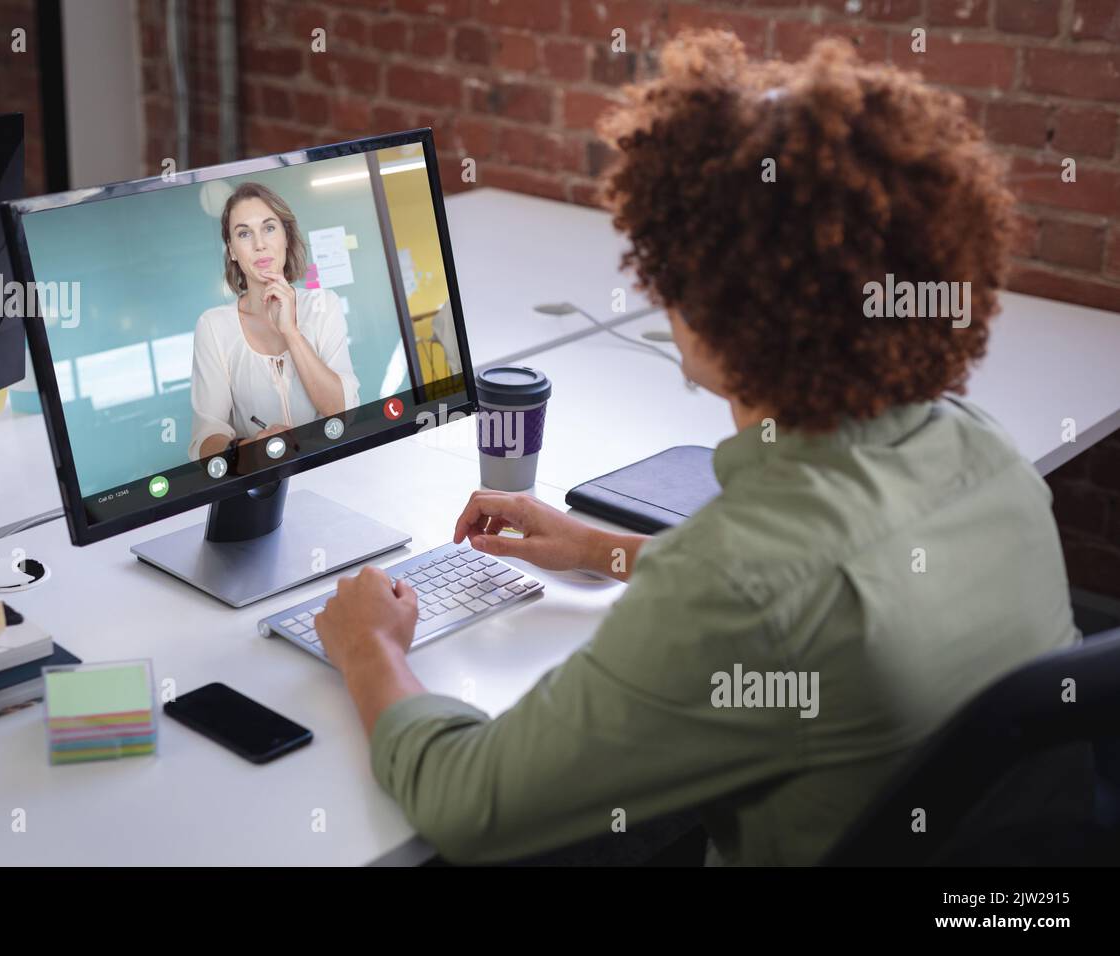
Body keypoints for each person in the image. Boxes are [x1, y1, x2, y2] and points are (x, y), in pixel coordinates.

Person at [313, 32, 1080, 865]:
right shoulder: (982, 453)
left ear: (714, 304)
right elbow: (824, 595)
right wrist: (601, 550)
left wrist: (371, 649)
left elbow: (469, 804)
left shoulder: (740, 587)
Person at [188, 182, 360, 461]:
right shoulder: (213, 327)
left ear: (286, 237)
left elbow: (342, 411)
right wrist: (255, 449)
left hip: (332, 470)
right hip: (261, 485)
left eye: (269, 228)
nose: (259, 245)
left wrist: (290, 332)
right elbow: (205, 440)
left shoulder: (323, 306)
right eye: (244, 234)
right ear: (232, 250)